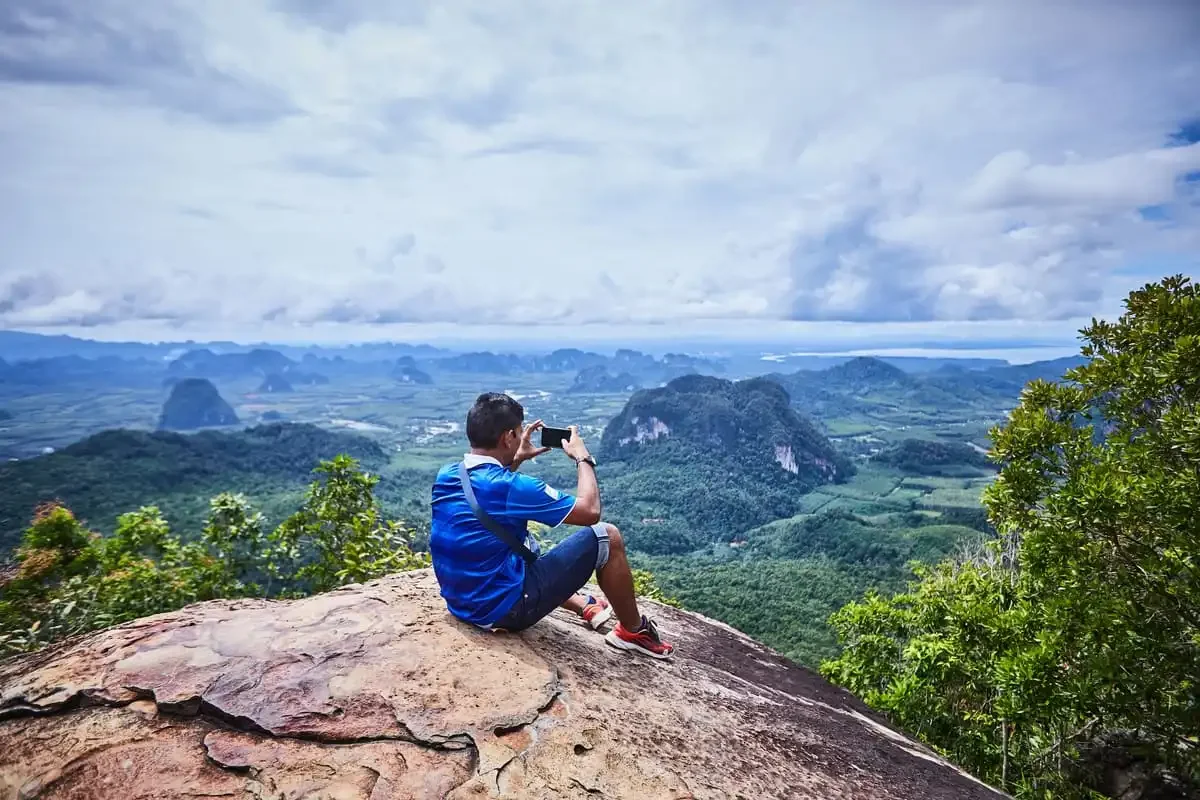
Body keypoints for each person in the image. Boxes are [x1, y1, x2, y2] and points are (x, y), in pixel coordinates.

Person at [430, 392, 673, 659]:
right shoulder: (513, 487)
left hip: (460, 603)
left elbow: (488, 500)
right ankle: (633, 632)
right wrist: (583, 457)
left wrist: (516, 459)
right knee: (607, 537)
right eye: (519, 432)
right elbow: (590, 511)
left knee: (524, 541)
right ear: (508, 437)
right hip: (504, 611)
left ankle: (581, 604)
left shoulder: (448, 474)